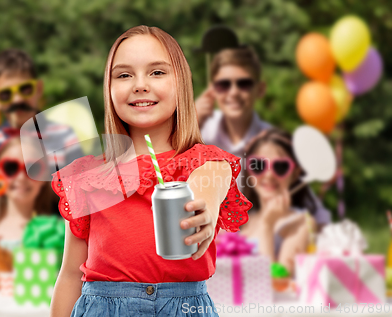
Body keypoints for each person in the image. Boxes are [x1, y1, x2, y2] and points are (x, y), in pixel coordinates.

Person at [50, 26, 252, 317]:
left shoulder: (207, 162)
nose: (140, 85)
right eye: (123, 75)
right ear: (108, 89)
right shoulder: (89, 178)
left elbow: (209, 183)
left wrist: (203, 209)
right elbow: (69, 274)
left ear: (181, 83)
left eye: (157, 72)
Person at [195, 46, 331, 229]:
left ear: (260, 89)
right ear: (212, 90)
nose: (233, 92)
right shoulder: (198, 133)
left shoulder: (272, 144)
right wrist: (187, 126)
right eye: (223, 85)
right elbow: (160, 179)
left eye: (244, 84)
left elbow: (318, 217)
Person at [0, 49, 83, 220]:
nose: (18, 99)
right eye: (6, 95)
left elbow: (82, 203)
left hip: (55, 239)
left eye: (25, 89)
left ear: (39, 89)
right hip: (4, 241)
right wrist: (4, 170)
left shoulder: (64, 136)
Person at [239, 128, 317, 274]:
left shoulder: (302, 223)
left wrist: (267, 225)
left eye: (280, 167)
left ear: (295, 173)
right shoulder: (242, 221)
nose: (268, 174)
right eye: (259, 165)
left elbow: (278, 282)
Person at [0, 137, 53, 253]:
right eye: (10, 167)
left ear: (44, 176)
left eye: (32, 168)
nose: (21, 177)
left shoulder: (52, 229)